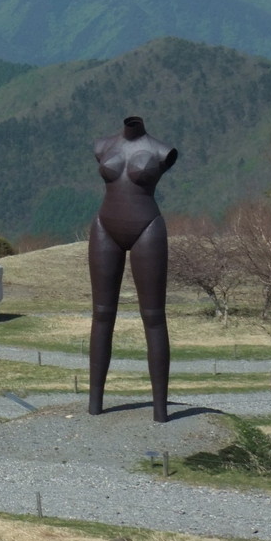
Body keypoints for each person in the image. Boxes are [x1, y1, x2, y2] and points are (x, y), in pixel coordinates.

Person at [88, 116, 177, 423]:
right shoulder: (104, 144)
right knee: (101, 314)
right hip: (104, 226)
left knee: (153, 317)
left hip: (147, 227)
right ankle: (95, 402)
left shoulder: (162, 150)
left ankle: (160, 409)